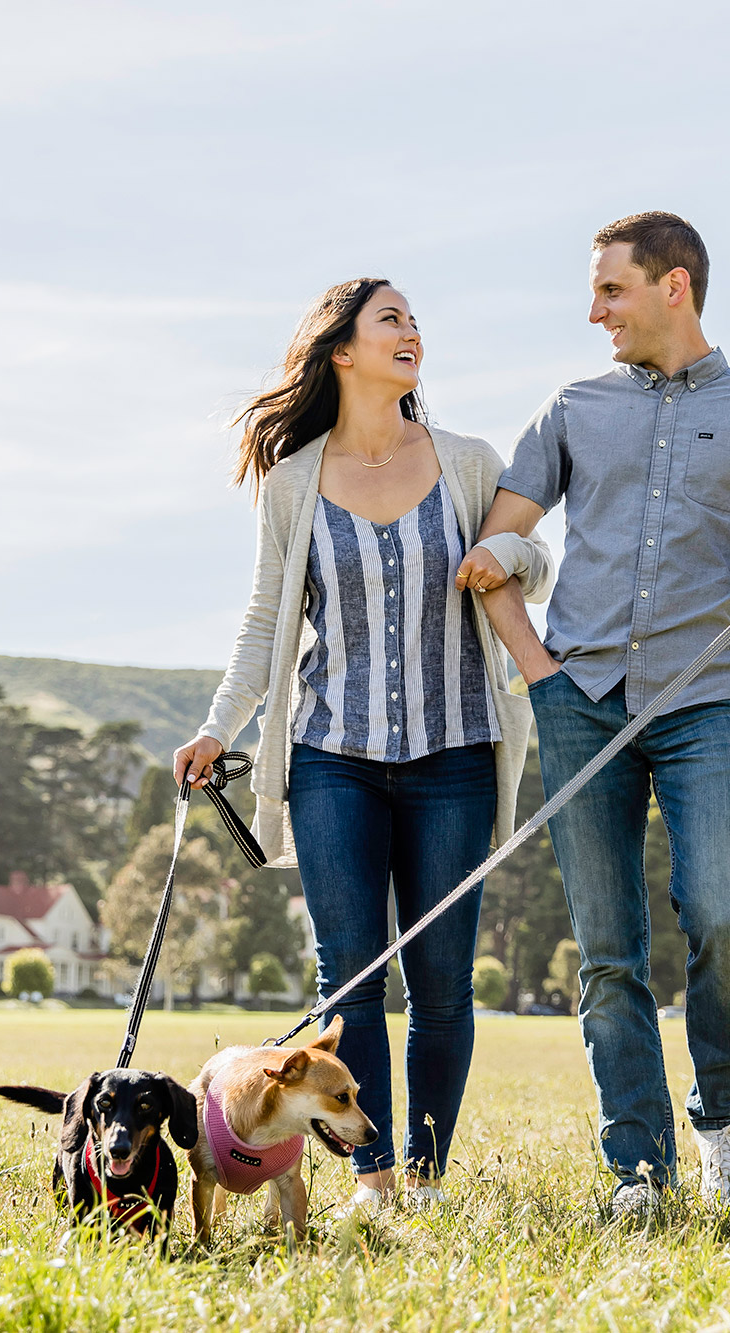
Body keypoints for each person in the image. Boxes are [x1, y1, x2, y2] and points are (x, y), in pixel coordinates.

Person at [462, 212, 730, 1218]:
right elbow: (493, 546)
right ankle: (635, 1168)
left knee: (724, 919)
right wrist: (538, 671)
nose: (592, 310)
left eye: (610, 290)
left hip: (705, 704)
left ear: (671, 286)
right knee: (606, 950)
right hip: (580, 702)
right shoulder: (572, 407)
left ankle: (722, 1125)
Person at [177, 278, 554, 1211]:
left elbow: (536, 561)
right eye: (392, 318)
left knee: (442, 981)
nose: (412, 331)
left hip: (456, 751)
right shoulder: (294, 479)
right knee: (350, 980)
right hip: (330, 757)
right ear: (341, 349)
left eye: (416, 320)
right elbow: (267, 621)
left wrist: (505, 559)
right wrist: (219, 724)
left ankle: (424, 1179)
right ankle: (370, 1179)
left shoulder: (468, 463)